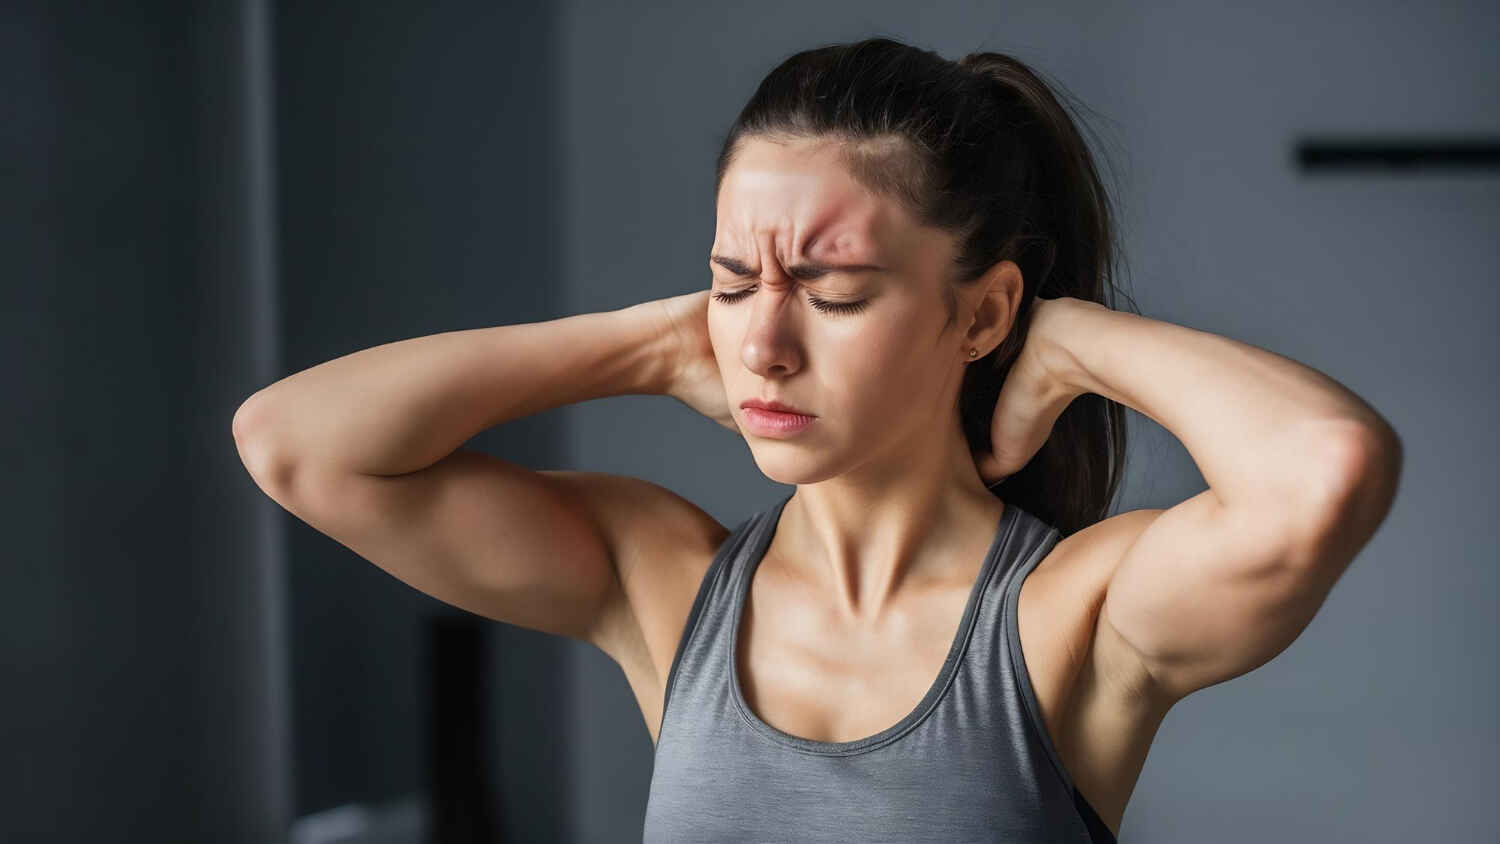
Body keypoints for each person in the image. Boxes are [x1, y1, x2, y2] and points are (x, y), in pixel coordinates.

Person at [232, 37, 1402, 842]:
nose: (765, 344)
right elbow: (295, 444)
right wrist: (641, 345)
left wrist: (1076, 343)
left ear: (982, 310)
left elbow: (1325, 468)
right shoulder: (665, 584)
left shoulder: (1067, 616)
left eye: (833, 295)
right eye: (733, 283)